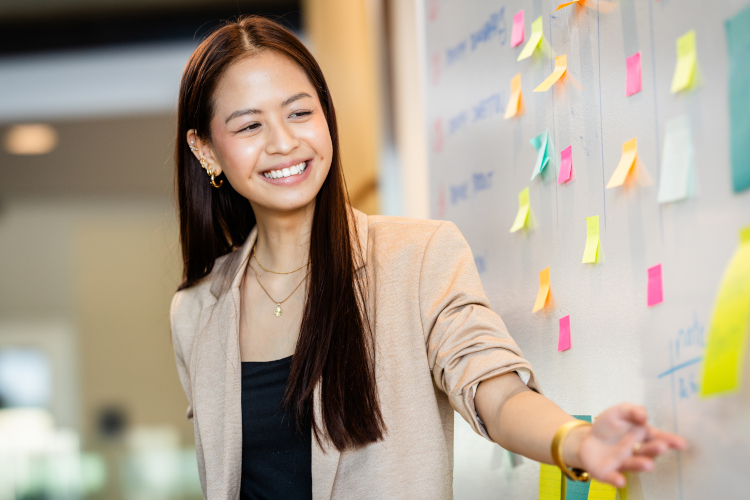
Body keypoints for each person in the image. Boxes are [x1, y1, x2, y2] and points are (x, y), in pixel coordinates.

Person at [169, 15, 686, 500]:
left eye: (300, 112)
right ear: (207, 150)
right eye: (249, 126)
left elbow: (496, 393)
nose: (284, 142)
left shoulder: (417, 257)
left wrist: (574, 442)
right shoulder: (195, 311)